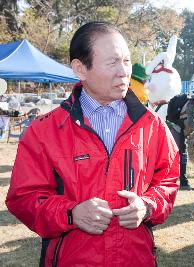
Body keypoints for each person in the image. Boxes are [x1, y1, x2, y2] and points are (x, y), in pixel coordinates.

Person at [5, 21, 180, 267]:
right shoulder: (45, 131)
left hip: (136, 258)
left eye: (127, 61)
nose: (124, 71)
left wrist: (148, 205)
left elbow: (168, 181)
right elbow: (23, 198)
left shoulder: (152, 125)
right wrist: (71, 213)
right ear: (80, 69)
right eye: (112, 62)